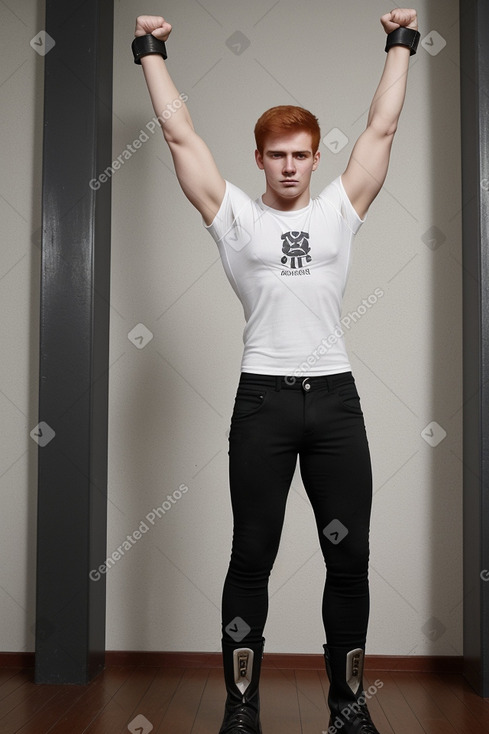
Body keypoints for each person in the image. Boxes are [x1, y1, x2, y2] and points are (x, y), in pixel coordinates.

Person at [132, 8, 419, 734]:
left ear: (317, 158)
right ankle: (241, 709)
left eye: (300, 154)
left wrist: (399, 43)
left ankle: (346, 708)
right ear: (258, 159)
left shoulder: (337, 213)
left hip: (333, 403)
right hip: (261, 401)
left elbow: (380, 130)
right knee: (251, 555)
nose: (289, 165)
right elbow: (178, 133)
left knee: (348, 558)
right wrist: (150, 51)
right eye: (276, 155)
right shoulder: (234, 219)